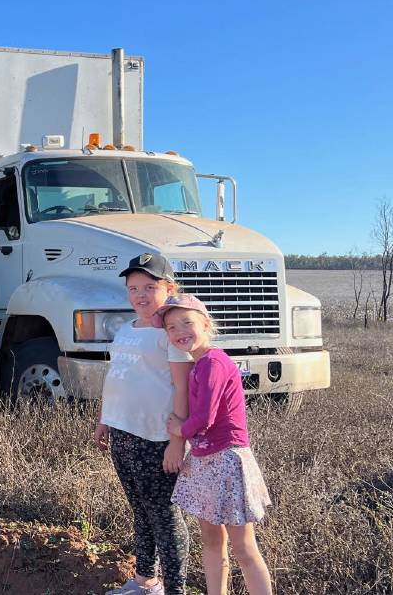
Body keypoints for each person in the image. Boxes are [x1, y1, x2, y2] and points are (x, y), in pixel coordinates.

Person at [156, 295, 273, 595]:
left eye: (187, 322)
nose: (180, 330)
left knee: (243, 547)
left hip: (226, 460)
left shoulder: (213, 362)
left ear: (206, 324)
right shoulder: (199, 365)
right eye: (171, 326)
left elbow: (205, 417)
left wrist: (180, 430)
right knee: (211, 541)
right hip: (207, 460)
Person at [96, 253, 193, 595]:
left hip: (156, 438)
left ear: (168, 289)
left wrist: (177, 440)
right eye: (133, 288)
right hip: (122, 432)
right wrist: (104, 420)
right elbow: (116, 376)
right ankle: (144, 581)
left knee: (164, 515)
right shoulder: (125, 330)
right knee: (140, 509)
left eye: (150, 287)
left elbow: (183, 388)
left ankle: (175, 589)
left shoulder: (172, 334)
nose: (140, 295)